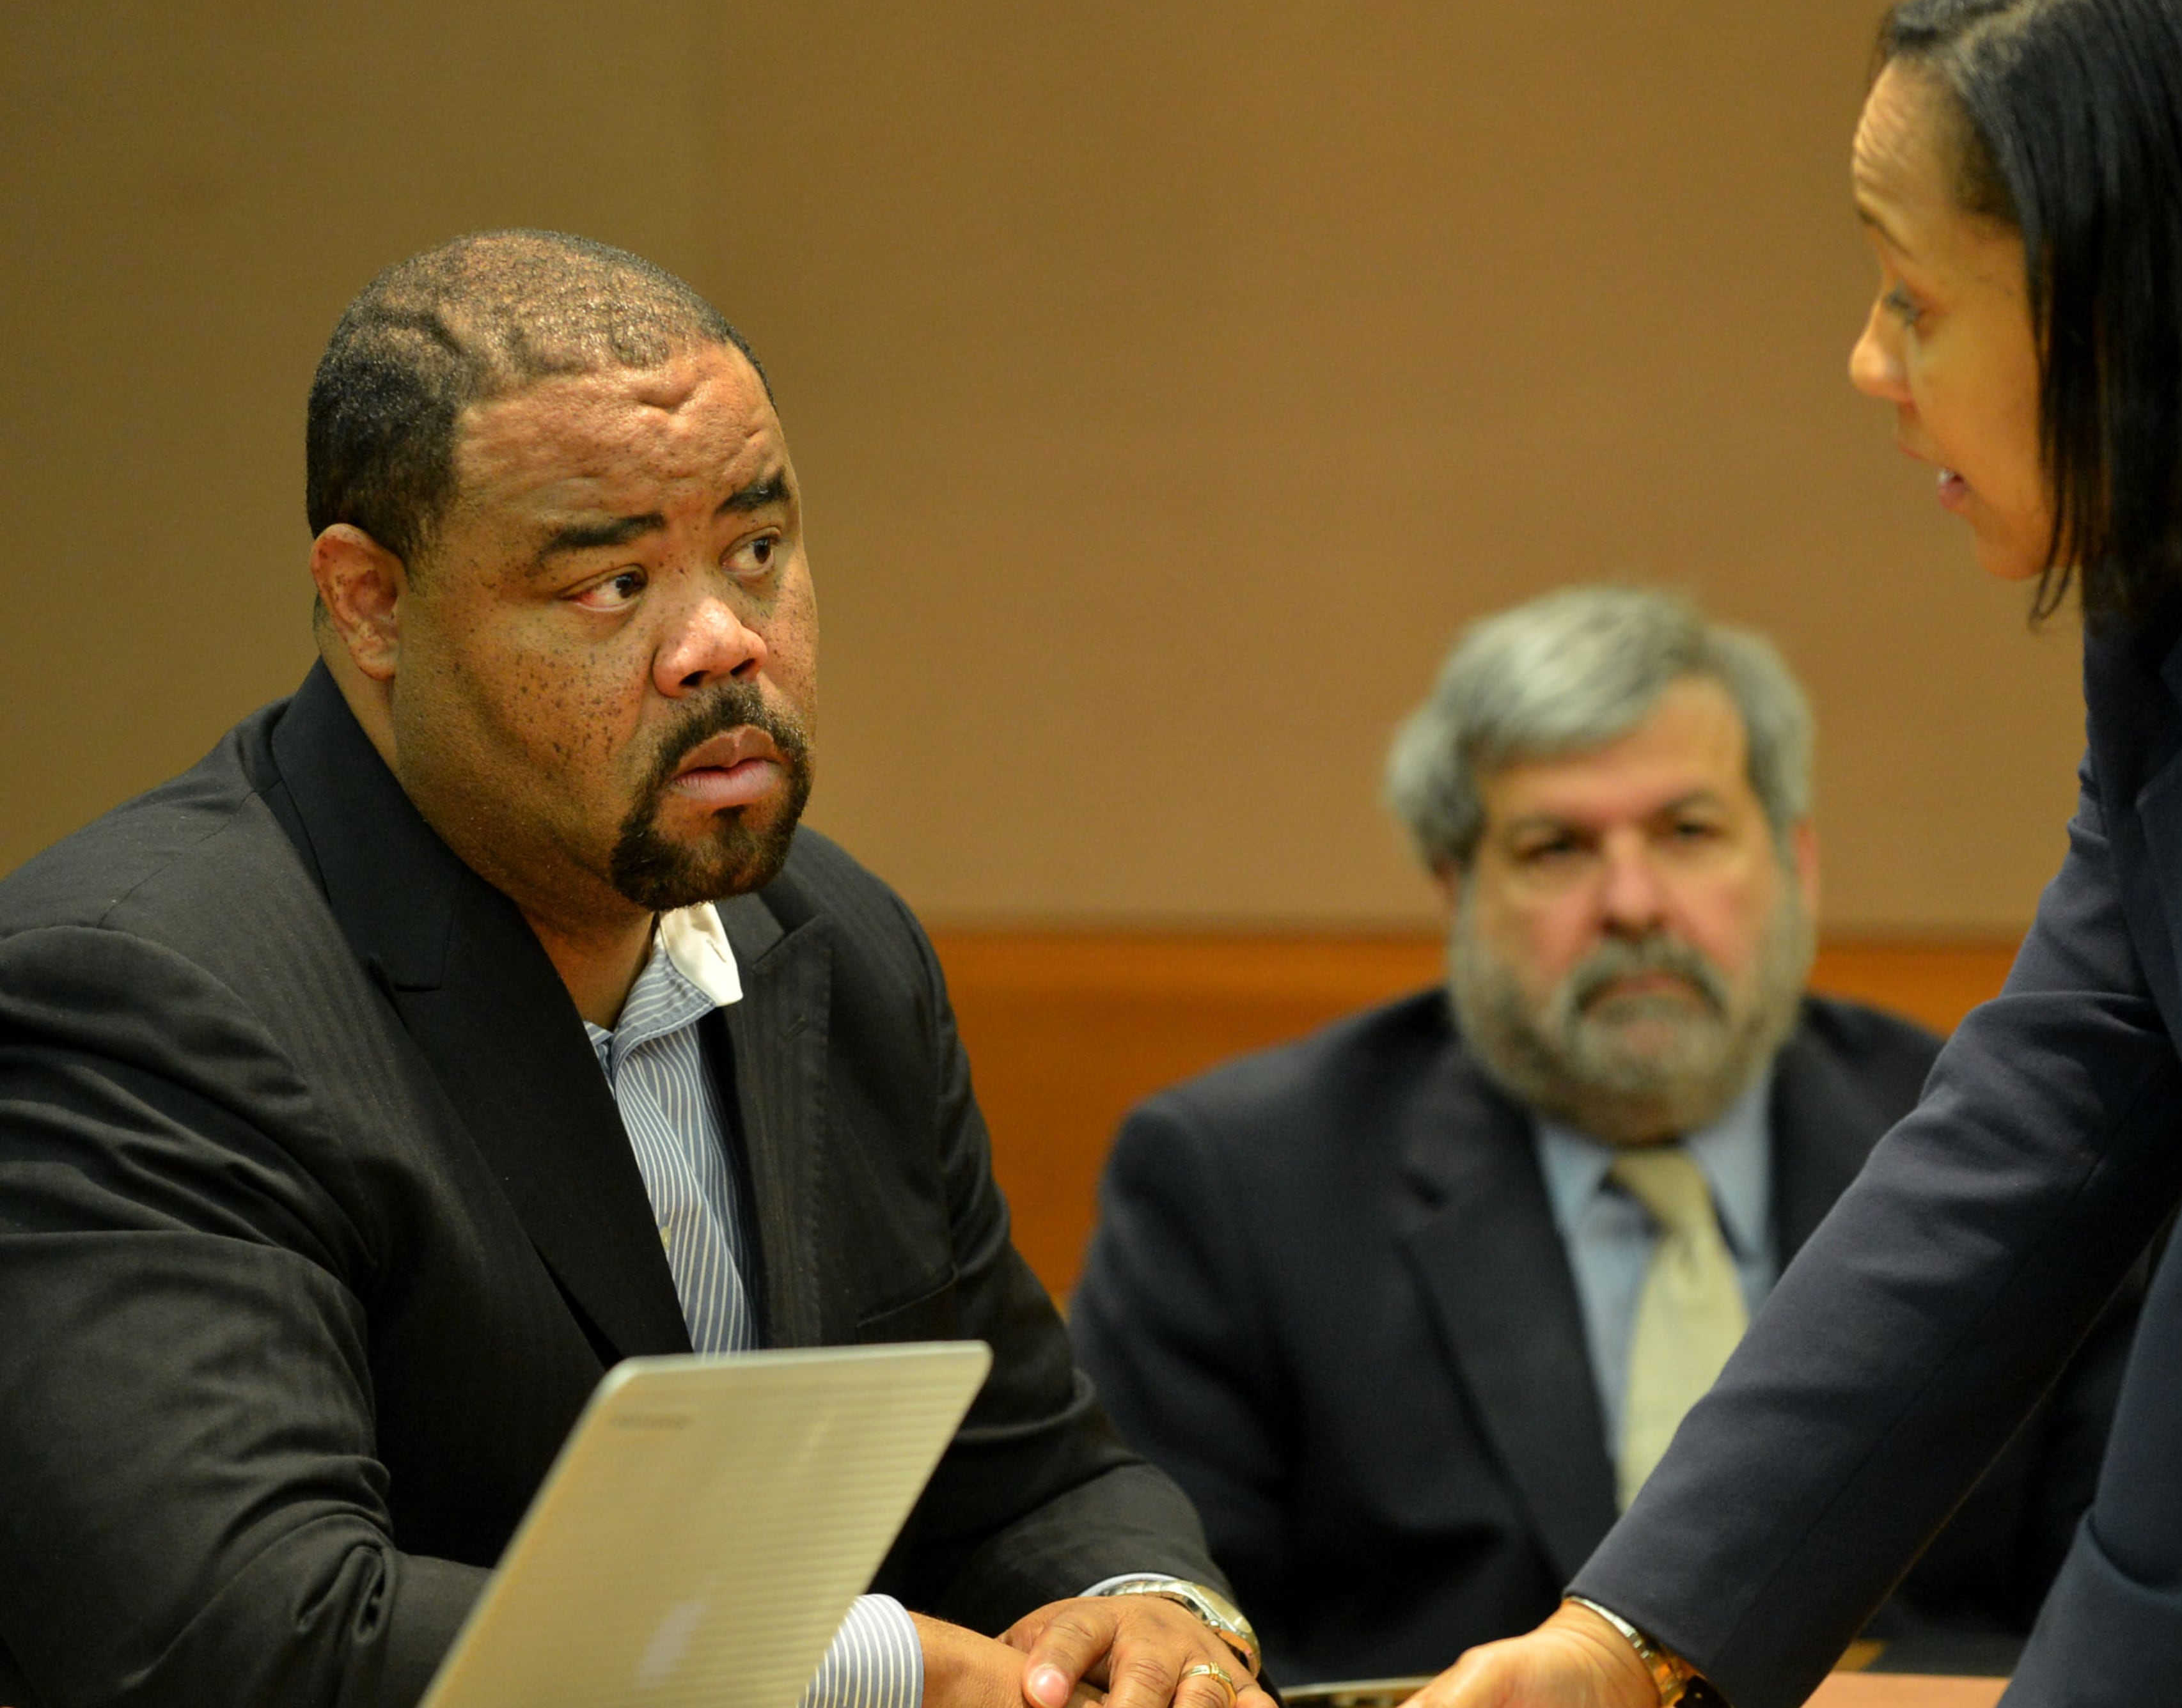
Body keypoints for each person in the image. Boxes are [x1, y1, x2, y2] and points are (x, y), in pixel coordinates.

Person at [1405, 0, 2182, 1707]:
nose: (1868, 363)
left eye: (1913, 298)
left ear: (2128, 304)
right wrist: (1629, 1641)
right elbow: (2042, 1113)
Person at [0, 231, 1266, 1708]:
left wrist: (1142, 1609)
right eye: (613, 582)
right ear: (371, 603)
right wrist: (869, 1667)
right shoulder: (140, 995)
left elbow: (1030, 1473)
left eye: (757, 551)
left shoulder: (837, 944)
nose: (722, 642)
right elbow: (244, 1633)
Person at [1070, 584, 2137, 1684]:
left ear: (1796, 864)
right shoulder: (1238, 1183)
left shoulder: (2023, 1157)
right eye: (1556, 848)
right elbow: (1187, 1644)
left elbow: (2123, 1611)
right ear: (1456, 890)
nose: (1633, 902)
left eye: (1688, 832)